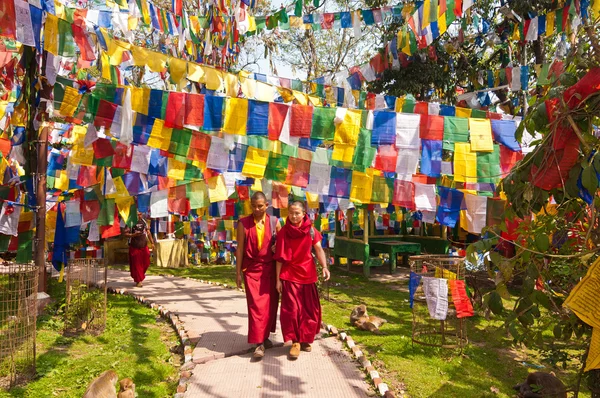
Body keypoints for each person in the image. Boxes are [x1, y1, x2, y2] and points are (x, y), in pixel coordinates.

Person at [274, 201, 330, 359]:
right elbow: (279, 257)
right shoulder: (284, 231)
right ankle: (295, 341)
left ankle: (306, 339)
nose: (293, 216)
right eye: (291, 213)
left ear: (304, 213)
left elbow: (318, 249)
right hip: (289, 274)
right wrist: (278, 279)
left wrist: (324, 266)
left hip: (308, 274)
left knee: (308, 310)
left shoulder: (311, 230)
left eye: (297, 213)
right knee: (292, 310)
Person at [236, 192, 280, 359]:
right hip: (252, 270)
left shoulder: (274, 222)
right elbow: (240, 248)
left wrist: (277, 249)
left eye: (260, 206)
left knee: (270, 306)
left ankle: (266, 336)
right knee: (256, 307)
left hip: (270, 269)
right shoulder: (243, 223)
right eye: (253, 206)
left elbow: (281, 245)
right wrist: (238, 273)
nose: (256, 209)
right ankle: (258, 343)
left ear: (266, 205)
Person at [124, 213, 152, 287]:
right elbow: (126, 234)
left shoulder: (144, 222)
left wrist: (152, 243)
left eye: (140, 214)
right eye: (137, 214)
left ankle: (139, 275)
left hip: (144, 246)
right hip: (134, 247)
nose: (139, 216)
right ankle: (138, 280)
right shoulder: (130, 222)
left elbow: (148, 232)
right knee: (137, 265)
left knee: (147, 262)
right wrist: (133, 235)